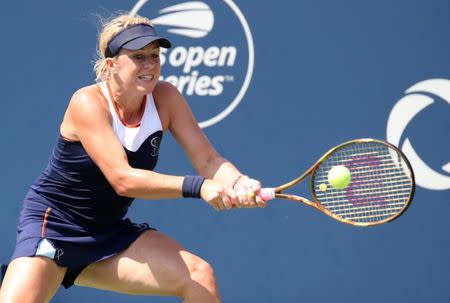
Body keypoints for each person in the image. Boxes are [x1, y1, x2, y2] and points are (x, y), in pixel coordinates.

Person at [0, 13, 265, 303]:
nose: (150, 65)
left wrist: (239, 181)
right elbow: (122, 180)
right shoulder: (87, 102)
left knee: (200, 277)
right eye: (138, 56)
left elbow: (209, 160)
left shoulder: (166, 98)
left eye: (154, 55)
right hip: (54, 227)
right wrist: (200, 187)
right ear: (111, 64)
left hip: (108, 232)